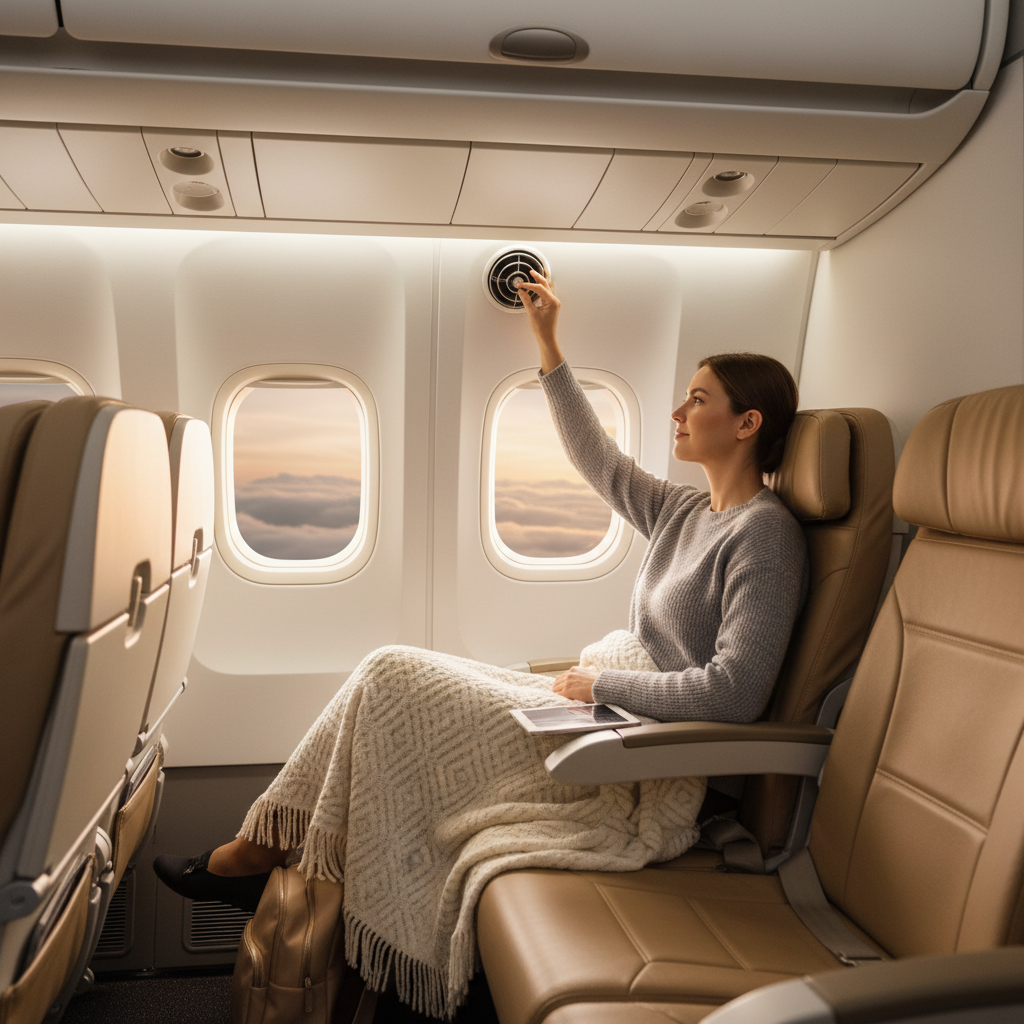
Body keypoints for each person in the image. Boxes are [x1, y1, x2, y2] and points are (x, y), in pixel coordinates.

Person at [154, 271, 808, 1017]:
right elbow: (596, 458)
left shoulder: (768, 535)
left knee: (390, 673)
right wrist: (548, 343)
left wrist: (602, 687)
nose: (676, 411)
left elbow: (735, 692)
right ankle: (262, 851)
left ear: (748, 423)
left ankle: (258, 854)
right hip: (603, 705)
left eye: (698, 398)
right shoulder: (684, 510)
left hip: (644, 745)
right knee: (386, 678)